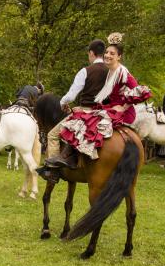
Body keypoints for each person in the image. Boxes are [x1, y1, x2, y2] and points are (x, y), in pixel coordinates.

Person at [47, 33, 151, 170]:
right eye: (107, 52)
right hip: (110, 109)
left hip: (122, 113)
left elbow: (141, 91)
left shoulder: (122, 72)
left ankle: (66, 157)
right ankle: (70, 155)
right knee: (81, 115)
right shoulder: (110, 72)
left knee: (83, 121)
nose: (107, 55)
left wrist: (124, 106)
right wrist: (83, 108)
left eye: (112, 53)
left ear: (119, 57)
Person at [42, 40, 107, 169]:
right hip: (105, 114)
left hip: (86, 112)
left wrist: (63, 102)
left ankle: (52, 171)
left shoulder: (85, 71)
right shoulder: (112, 71)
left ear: (91, 53)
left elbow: (71, 96)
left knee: (52, 135)